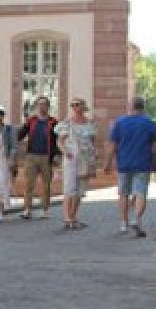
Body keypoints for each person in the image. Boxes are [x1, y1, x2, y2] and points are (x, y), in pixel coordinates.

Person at [104, 96, 156, 238]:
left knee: (123, 194)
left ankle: (123, 223)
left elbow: (112, 145)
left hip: (124, 164)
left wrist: (108, 163)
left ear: (130, 107)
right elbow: (155, 146)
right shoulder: (150, 123)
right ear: (143, 107)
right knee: (140, 193)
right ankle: (136, 219)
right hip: (142, 163)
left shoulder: (120, 123)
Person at [56, 97, 96, 230]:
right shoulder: (67, 123)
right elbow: (60, 141)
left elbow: (92, 142)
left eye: (77, 104)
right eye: (72, 105)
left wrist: (93, 157)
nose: (75, 107)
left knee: (80, 190)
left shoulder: (89, 123)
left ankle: (73, 216)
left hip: (84, 159)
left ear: (83, 107)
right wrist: (65, 151)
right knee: (69, 189)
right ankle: (67, 218)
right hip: (71, 158)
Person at [16, 95, 59, 219]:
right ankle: (27, 209)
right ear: (36, 106)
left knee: (46, 185)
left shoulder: (53, 122)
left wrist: (56, 156)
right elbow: (20, 135)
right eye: (40, 104)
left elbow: (57, 140)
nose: (42, 107)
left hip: (46, 156)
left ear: (48, 107)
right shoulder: (31, 121)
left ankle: (45, 210)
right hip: (31, 156)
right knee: (29, 184)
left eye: (44, 104)